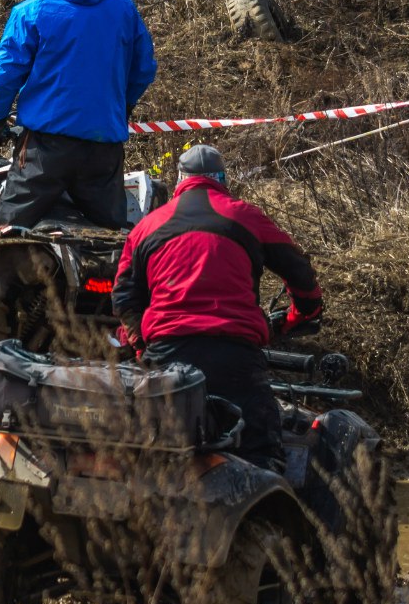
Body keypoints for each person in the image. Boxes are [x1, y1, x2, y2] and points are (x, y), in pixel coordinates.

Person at [111, 145, 324, 470]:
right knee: (261, 457)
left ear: (180, 179)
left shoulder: (146, 227)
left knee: (153, 455)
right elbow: (301, 275)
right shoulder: (246, 216)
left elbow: (124, 297)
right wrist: (300, 315)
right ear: (222, 179)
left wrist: (141, 345)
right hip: (235, 356)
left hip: (167, 354)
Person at [0, 0, 158, 229]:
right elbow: (144, 70)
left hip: (45, 151)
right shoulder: (124, 9)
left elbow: (6, 74)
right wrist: (122, 108)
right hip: (104, 149)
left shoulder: (30, 12)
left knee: (5, 235)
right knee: (113, 238)